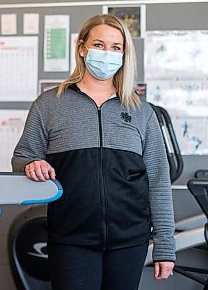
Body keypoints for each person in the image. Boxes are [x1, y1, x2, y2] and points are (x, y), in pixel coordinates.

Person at [12, 14, 175, 290]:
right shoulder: (50, 104)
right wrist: (32, 164)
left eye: (116, 47)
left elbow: (158, 180)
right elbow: (22, 156)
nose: (107, 53)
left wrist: (165, 246)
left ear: (124, 54)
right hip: (71, 238)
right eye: (99, 44)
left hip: (129, 240)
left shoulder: (140, 112)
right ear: (82, 48)